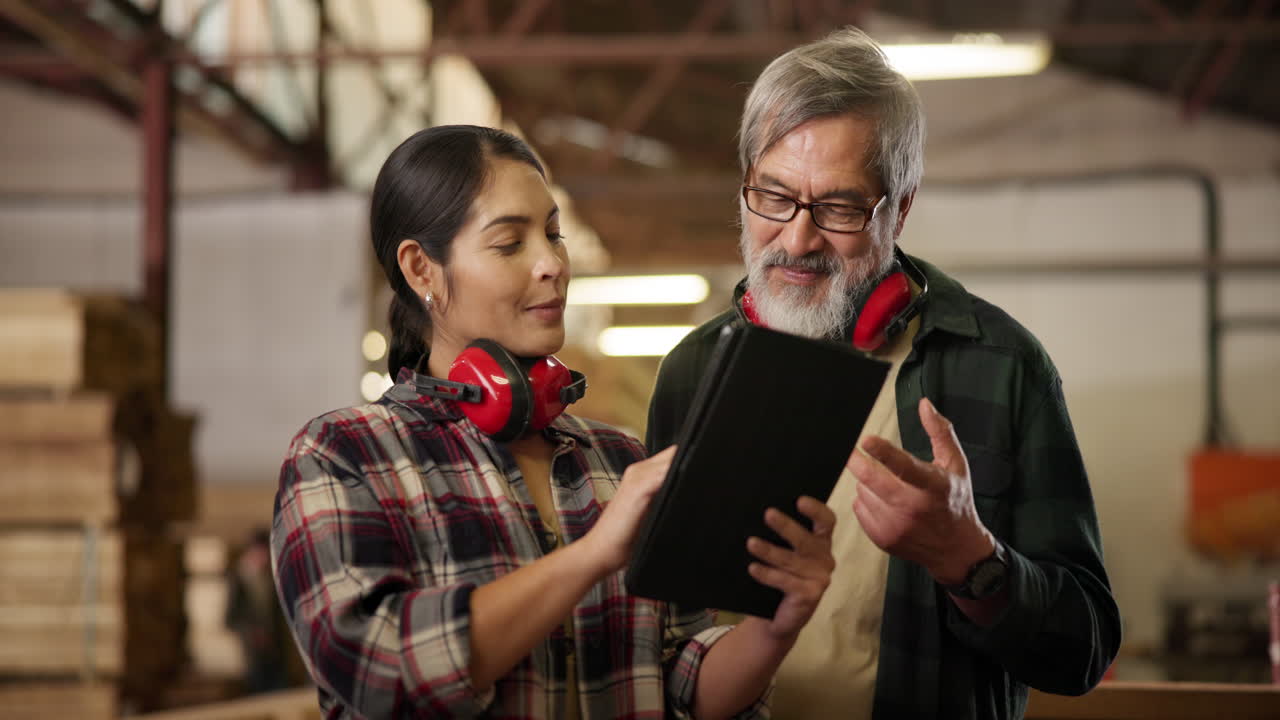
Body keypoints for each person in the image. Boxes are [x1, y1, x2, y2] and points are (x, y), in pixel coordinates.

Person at [270, 124, 837, 719]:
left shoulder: (620, 459)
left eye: (552, 234)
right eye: (510, 243)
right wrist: (591, 554)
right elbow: (380, 674)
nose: (552, 265)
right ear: (421, 270)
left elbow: (682, 685)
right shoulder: (342, 456)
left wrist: (775, 626)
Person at [645, 27, 1122, 720]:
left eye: (837, 207)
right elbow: (655, 640)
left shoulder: (1000, 364)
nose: (797, 238)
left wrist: (970, 558)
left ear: (899, 208)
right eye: (773, 197)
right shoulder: (693, 371)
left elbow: (1084, 650)